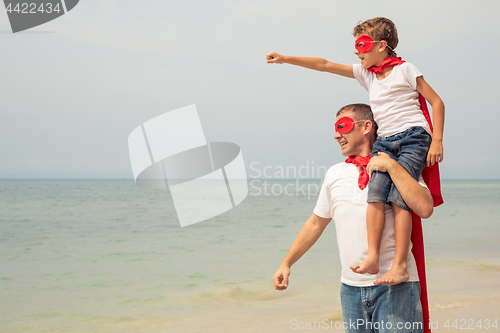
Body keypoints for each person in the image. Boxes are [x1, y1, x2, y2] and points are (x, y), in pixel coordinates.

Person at [266, 17, 444, 285]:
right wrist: (286, 58)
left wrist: (436, 141)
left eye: (361, 44)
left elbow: (436, 102)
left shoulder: (405, 69)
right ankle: (372, 257)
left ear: (382, 45)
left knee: (400, 198)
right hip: (385, 140)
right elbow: (325, 65)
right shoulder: (366, 75)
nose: (355, 50)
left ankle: (398, 266)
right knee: (375, 192)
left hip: (412, 138)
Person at [273, 104, 433, 332]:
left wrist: (390, 165)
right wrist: (286, 263)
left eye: (342, 126)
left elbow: (425, 208)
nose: (336, 135)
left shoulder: (399, 165)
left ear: (367, 126)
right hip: (350, 290)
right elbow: (316, 223)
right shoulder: (335, 173)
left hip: (395, 287)